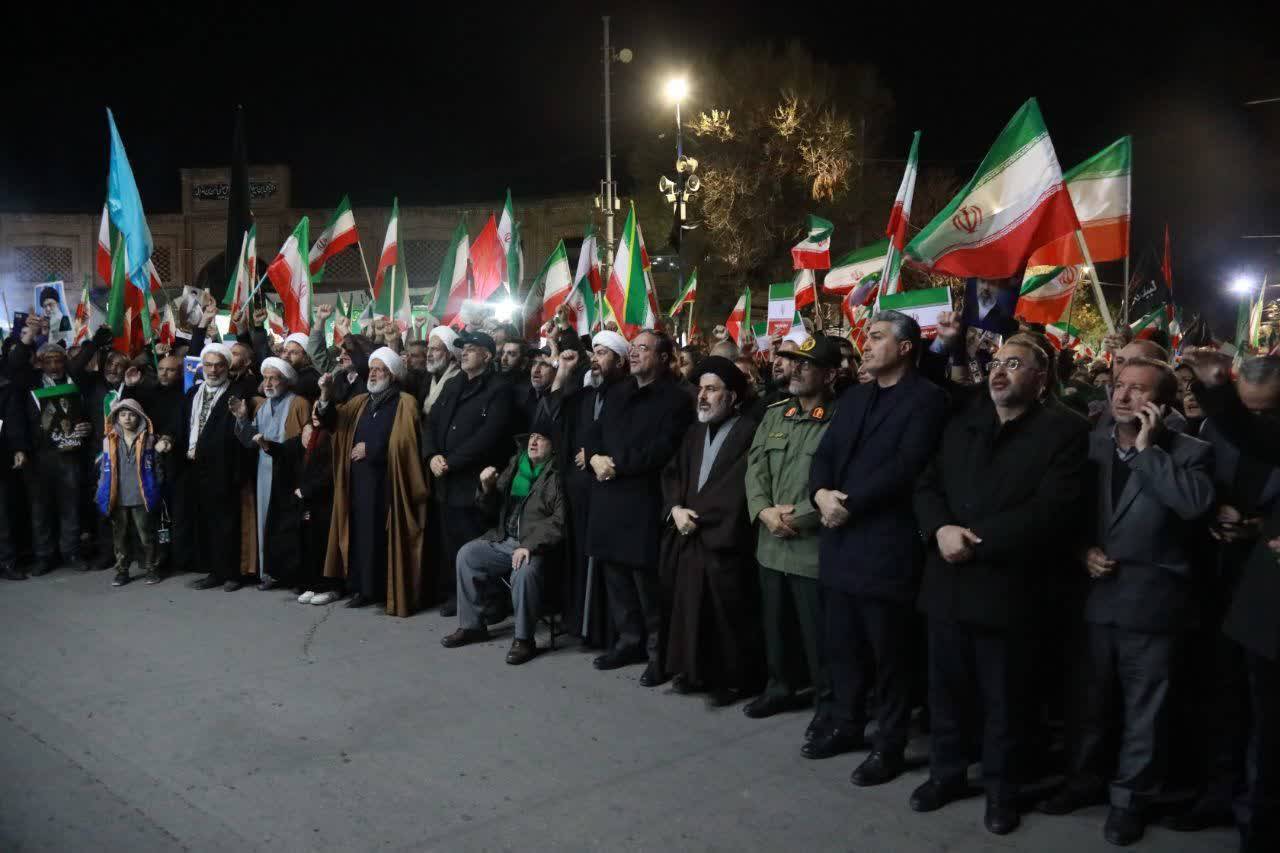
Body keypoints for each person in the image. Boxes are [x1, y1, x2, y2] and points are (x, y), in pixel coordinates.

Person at [911, 335, 1089, 836]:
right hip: (947, 582)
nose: (999, 370)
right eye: (996, 361)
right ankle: (945, 775)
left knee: (1006, 702)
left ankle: (1002, 791)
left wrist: (976, 543)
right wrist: (939, 529)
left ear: (1041, 378)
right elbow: (927, 483)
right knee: (946, 693)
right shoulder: (963, 420)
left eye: (1015, 363)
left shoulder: (1065, 431)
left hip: (1009, 590)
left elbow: (1051, 511)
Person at [1039, 357, 1214, 846]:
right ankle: (1082, 782)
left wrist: (1146, 451)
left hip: (1153, 605)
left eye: (1138, 390)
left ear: (1162, 404)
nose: (1122, 396)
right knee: (1088, 703)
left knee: (1145, 713)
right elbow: (1066, 511)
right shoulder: (1087, 444)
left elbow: (1194, 506)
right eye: (1119, 385)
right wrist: (1081, 551)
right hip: (1094, 598)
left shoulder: (1190, 452)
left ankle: (1130, 802)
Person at [806, 313, 947, 780]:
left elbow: (907, 465)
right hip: (839, 542)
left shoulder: (927, 399)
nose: (865, 345)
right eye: (867, 336)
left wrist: (848, 504)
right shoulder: (855, 397)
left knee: (891, 655)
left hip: (886, 546)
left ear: (906, 348)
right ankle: (847, 725)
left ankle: (890, 744)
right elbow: (825, 454)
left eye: (878, 337)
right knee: (843, 646)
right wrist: (820, 493)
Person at [1183, 351, 1280, 852]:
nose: (1259, 419)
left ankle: (1255, 816)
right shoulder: (1225, 426)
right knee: (1222, 696)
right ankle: (1221, 795)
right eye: (1250, 408)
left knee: (1266, 717)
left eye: (1270, 410)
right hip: (1223, 581)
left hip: (1266, 589)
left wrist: (1261, 528)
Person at [584, 329, 695, 686]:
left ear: (663, 358)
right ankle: (628, 641)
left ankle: (658, 655)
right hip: (608, 498)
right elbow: (594, 432)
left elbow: (663, 449)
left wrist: (616, 464)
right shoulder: (618, 391)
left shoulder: (677, 400)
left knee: (648, 586)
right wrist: (595, 457)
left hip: (643, 500)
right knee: (616, 577)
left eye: (642, 348)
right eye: (632, 348)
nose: (633, 353)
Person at [743, 335, 839, 729]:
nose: (795, 369)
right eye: (794, 361)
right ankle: (779, 687)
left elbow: (839, 483)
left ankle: (828, 705)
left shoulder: (840, 419)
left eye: (806, 364)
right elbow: (755, 468)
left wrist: (796, 517)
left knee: (819, 637)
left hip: (810, 548)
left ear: (830, 375)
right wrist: (763, 511)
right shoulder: (775, 414)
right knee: (776, 626)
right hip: (770, 543)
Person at [660, 356, 762, 705]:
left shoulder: (749, 431)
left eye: (712, 389)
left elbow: (739, 488)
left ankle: (732, 681)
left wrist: (698, 517)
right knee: (690, 607)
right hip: (689, 533)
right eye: (701, 389)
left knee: (726, 614)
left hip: (724, 540)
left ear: (731, 397)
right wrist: (676, 509)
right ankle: (693, 671)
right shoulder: (694, 432)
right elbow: (673, 474)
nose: (702, 396)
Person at [442, 416, 565, 665]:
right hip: (505, 539)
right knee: (468, 555)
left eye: (541, 439)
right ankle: (472, 627)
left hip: (536, 547)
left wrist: (529, 545)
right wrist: (486, 487)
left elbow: (559, 521)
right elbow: (490, 508)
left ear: (553, 446)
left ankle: (524, 639)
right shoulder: (517, 464)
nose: (533, 442)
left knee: (523, 571)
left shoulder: (557, 475)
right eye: (531, 437)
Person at [318, 346, 428, 615]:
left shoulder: (405, 403)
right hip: (358, 483)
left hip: (388, 484)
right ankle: (362, 589)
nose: (374, 374)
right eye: (372, 369)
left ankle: (381, 590)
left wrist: (373, 449)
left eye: (380, 370)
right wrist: (325, 395)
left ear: (393, 374)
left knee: (381, 536)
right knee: (359, 534)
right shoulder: (360, 402)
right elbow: (333, 422)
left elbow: (408, 443)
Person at [422, 331, 516, 615]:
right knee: (451, 541)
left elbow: (489, 436)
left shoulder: (499, 389)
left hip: (475, 481)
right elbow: (431, 423)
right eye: (462, 348)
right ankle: (459, 596)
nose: (463, 352)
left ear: (487, 356)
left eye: (471, 349)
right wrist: (432, 456)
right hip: (447, 480)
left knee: (477, 541)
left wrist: (451, 461)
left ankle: (492, 600)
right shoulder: (454, 384)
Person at [8, 321, 95, 575]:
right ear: (40, 363)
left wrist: (87, 426)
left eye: (58, 360)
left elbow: (87, 413)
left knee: (71, 505)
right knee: (40, 508)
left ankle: (71, 552)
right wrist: (29, 336)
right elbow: (15, 365)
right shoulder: (30, 383)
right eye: (49, 361)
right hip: (39, 456)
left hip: (69, 454)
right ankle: (44, 556)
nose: (55, 366)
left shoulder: (75, 381)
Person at [560, 333, 627, 648]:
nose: (596, 360)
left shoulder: (625, 394)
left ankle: (604, 632)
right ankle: (580, 625)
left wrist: (592, 453)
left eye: (603, 354)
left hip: (609, 491)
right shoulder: (586, 395)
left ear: (620, 360)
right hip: (580, 493)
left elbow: (618, 437)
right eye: (594, 353)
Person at [231, 357, 310, 590]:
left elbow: (307, 442)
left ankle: (294, 576)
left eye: (273, 378)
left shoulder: (299, 403)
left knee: (290, 525)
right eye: (265, 378)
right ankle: (270, 573)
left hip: (289, 473)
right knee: (266, 522)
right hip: (264, 472)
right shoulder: (262, 406)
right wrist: (242, 418)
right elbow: (250, 440)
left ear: (285, 381)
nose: (267, 383)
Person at [184, 343, 256, 591]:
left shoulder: (237, 393)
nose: (213, 370)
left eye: (218, 365)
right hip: (196, 467)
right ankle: (214, 571)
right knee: (207, 522)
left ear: (227, 367)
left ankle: (233, 574)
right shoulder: (193, 393)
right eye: (208, 365)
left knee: (228, 523)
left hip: (224, 469)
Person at [261, 409, 340, 605]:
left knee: (322, 546)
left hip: (324, 504)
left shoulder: (327, 443)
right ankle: (310, 584)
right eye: (305, 432)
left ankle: (330, 588)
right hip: (306, 505)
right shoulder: (298, 445)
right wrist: (266, 445)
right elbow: (282, 450)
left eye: (311, 434)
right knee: (307, 544)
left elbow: (329, 474)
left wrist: (305, 490)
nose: (307, 437)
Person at [95, 398, 163, 587]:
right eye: (123, 414)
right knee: (120, 537)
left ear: (140, 417)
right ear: (116, 417)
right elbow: (104, 470)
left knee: (146, 535)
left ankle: (151, 568)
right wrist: (101, 490)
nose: (127, 418)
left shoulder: (149, 440)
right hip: (118, 497)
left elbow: (158, 468)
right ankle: (122, 571)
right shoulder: (109, 440)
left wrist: (156, 488)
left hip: (142, 496)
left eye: (132, 415)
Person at [0, 364, 30, 580]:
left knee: (3, 514)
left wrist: (19, 448)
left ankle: (7, 561)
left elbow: (14, 420)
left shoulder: (5, 388)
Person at [280, 332, 322, 401]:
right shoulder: (287, 374)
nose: (286, 355)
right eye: (285, 351)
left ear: (305, 358)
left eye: (293, 352)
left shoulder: (309, 378)